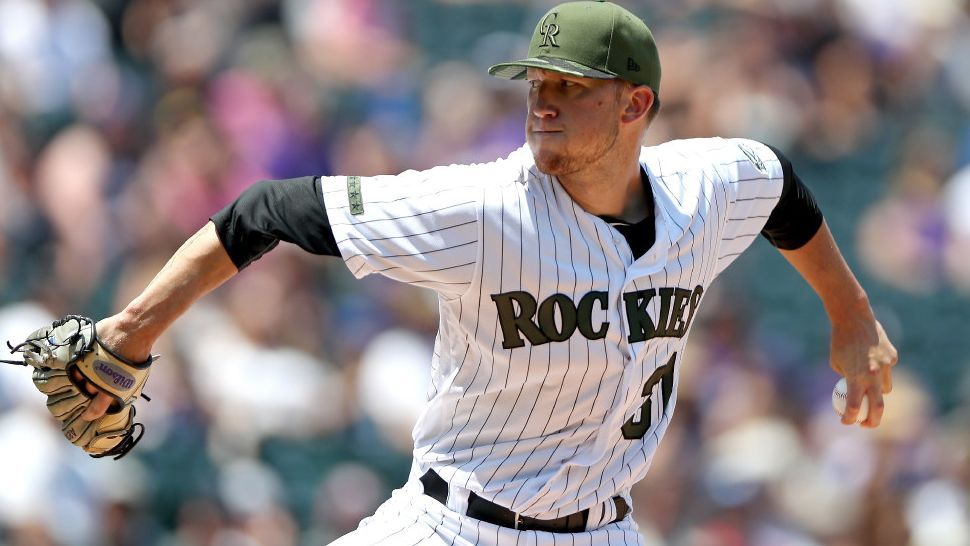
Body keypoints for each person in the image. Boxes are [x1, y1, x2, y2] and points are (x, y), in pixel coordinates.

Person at [73, 1, 898, 544]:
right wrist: (133, 331)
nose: (540, 102)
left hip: (603, 531)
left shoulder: (706, 188)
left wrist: (850, 313)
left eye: (569, 88)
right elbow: (266, 211)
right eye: (534, 83)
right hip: (449, 526)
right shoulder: (481, 208)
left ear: (635, 105)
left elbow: (779, 186)